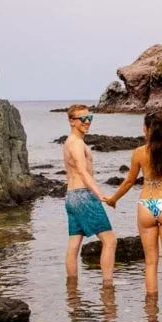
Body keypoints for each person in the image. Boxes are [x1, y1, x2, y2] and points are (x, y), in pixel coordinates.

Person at [104, 111, 162, 303]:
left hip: (146, 206)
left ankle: (150, 312)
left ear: (146, 130)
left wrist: (113, 198)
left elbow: (129, 181)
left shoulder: (139, 153)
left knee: (150, 262)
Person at [63, 104, 116, 284]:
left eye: (89, 118)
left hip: (71, 197)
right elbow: (83, 172)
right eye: (82, 119)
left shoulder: (70, 142)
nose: (87, 122)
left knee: (74, 244)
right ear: (71, 121)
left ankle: (72, 290)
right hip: (83, 195)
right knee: (109, 240)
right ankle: (108, 286)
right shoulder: (76, 144)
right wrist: (100, 194)